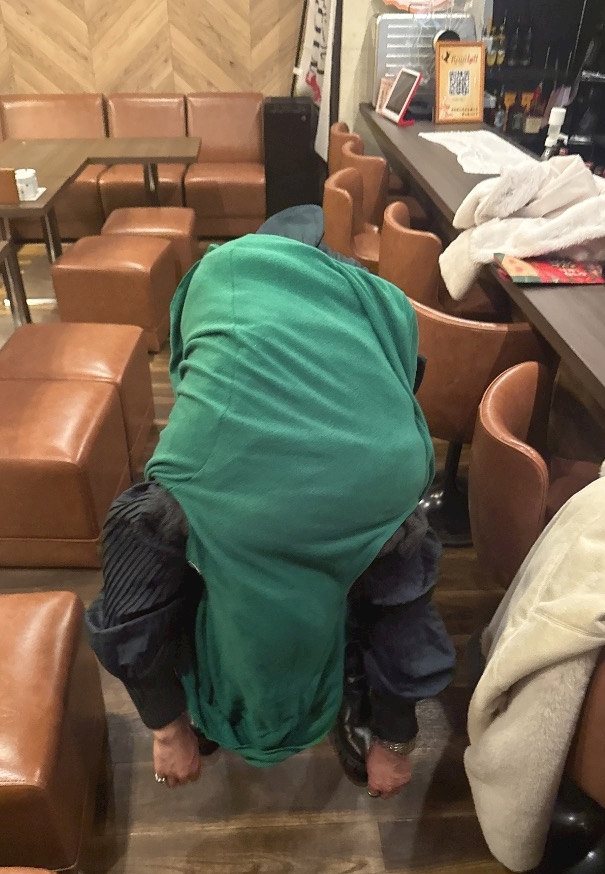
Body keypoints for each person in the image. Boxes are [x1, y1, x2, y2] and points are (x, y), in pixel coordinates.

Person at [86, 225, 455, 799]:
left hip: (217, 487)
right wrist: (396, 740)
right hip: (377, 479)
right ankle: (355, 700)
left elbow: (134, 618)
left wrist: (167, 728)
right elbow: (403, 620)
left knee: (181, 561)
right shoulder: (374, 305)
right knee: (377, 583)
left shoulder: (184, 483)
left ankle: (209, 705)